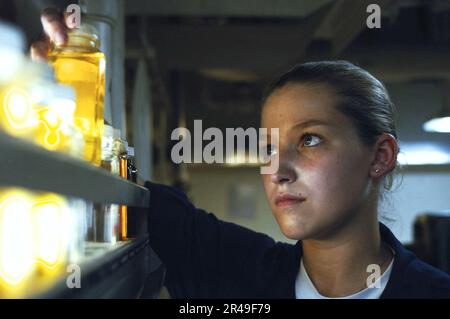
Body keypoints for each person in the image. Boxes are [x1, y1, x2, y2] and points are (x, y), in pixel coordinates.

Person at [32, 9, 450, 299]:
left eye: (309, 139)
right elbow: (112, 182)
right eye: (269, 147)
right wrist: (59, 91)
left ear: (380, 156)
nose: (277, 170)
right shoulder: (233, 273)